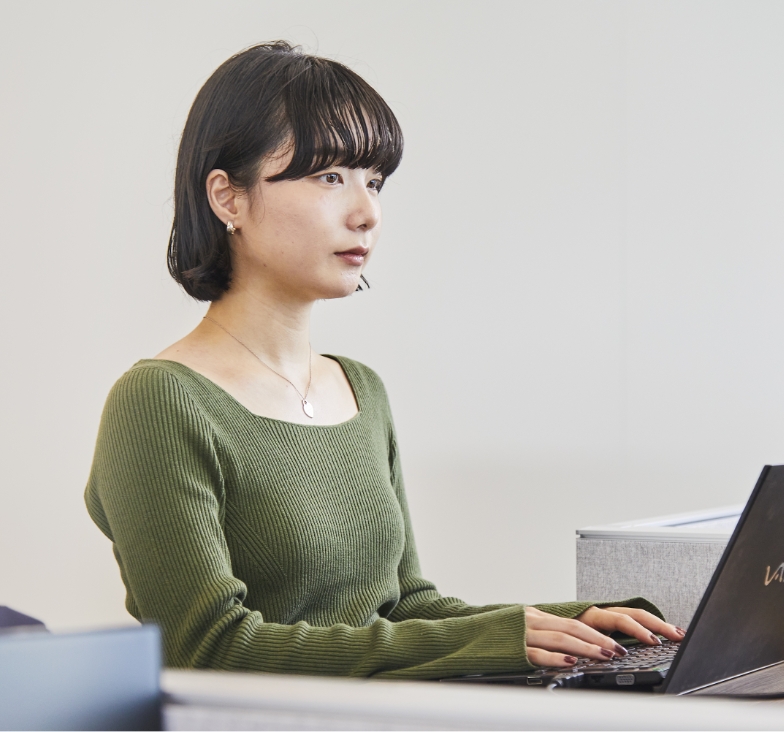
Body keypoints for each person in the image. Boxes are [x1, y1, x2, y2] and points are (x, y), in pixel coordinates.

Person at [84, 42, 681, 678]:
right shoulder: (158, 401)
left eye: (374, 182)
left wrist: (571, 621)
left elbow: (403, 607)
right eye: (328, 177)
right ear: (229, 198)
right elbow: (208, 649)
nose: (366, 213)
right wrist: (496, 638)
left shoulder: (360, 390)